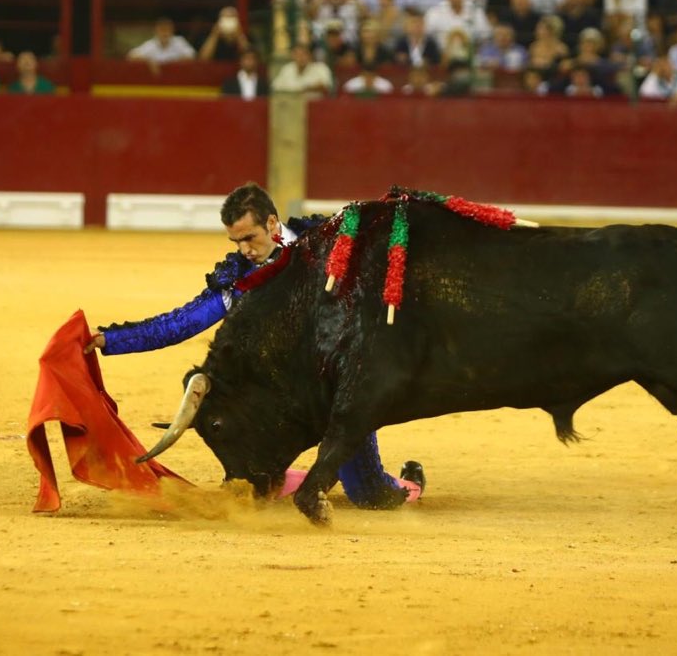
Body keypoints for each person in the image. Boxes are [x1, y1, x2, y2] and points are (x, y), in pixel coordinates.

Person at [85, 183, 426, 506]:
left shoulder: (324, 250)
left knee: (370, 497)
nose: (245, 249)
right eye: (236, 242)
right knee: (252, 488)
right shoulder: (240, 283)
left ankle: (409, 483)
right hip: (281, 401)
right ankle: (303, 477)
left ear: (273, 223)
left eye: (250, 237)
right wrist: (109, 339)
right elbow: (180, 323)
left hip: (337, 390)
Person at [127, 18, 196, 64]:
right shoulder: (151, 45)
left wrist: (172, 63)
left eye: (167, 30)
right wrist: (149, 61)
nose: (164, 33)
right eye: (162, 30)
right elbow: (131, 56)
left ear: (172, 31)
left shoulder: (179, 41)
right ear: (156, 31)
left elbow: (192, 56)